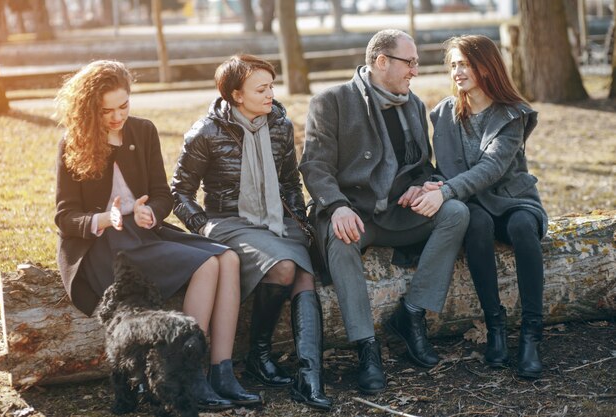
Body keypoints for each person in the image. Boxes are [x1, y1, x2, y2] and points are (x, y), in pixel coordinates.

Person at [53, 60, 261, 410]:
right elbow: (64, 216)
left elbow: (162, 193)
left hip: (146, 232)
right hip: (104, 245)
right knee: (208, 265)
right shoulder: (72, 143)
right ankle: (189, 375)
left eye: (124, 106)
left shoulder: (143, 131)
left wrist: (153, 211)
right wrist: (106, 217)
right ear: (89, 109)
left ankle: (221, 371)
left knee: (228, 256)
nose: (118, 117)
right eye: (107, 111)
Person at [299, 29, 470, 394]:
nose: (414, 71)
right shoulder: (331, 102)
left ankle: (411, 315)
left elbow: (422, 164)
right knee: (342, 239)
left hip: (400, 211)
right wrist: (338, 207)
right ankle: (367, 348)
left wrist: (425, 184)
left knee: (455, 212)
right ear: (381, 62)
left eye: (416, 64)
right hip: (355, 212)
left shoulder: (413, 104)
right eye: (409, 63)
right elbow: (315, 167)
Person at [170, 54, 332, 411]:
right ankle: (260, 354)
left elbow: (290, 182)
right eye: (261, 88)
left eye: (271, 86)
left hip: (277, 218)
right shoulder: (206, 132)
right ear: (236, 95)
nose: (270, 93)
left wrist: (299, 223)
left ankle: (309, 377)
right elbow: (179, 191)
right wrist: (201, 226)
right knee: (286, 267)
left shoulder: (280, 125)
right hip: (228, 222)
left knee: (304, 272)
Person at [428, 35, 548, 378]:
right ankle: (495, 329)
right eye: (453, 65)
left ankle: (530, 335)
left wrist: (447, 189)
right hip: (472, 203)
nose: (457, 71)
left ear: (486, 65)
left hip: (513, 199)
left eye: (463, 63)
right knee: (474, 223)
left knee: (523, 227)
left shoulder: (512, 114)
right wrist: (434, 183)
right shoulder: (444, 114)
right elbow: (444, 166)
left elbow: (492, 168)